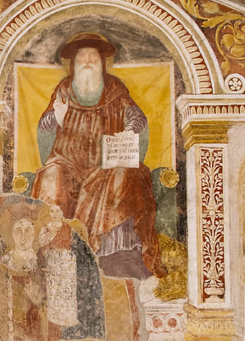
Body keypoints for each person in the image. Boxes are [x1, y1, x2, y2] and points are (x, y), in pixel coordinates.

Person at [30, 32, 163, 279]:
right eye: (83, 56)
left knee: (124, 175)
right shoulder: (64, 89)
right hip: (67, 161)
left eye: (93, 56)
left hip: (105, 163)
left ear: (102, 62)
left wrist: (130, 128)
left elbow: (137, 116)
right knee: (51, 176)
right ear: (74, 63)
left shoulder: (114, 88)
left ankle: (116, 254)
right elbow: (44, 126)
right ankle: (54, 251)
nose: (88, 61)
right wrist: (56, 117)